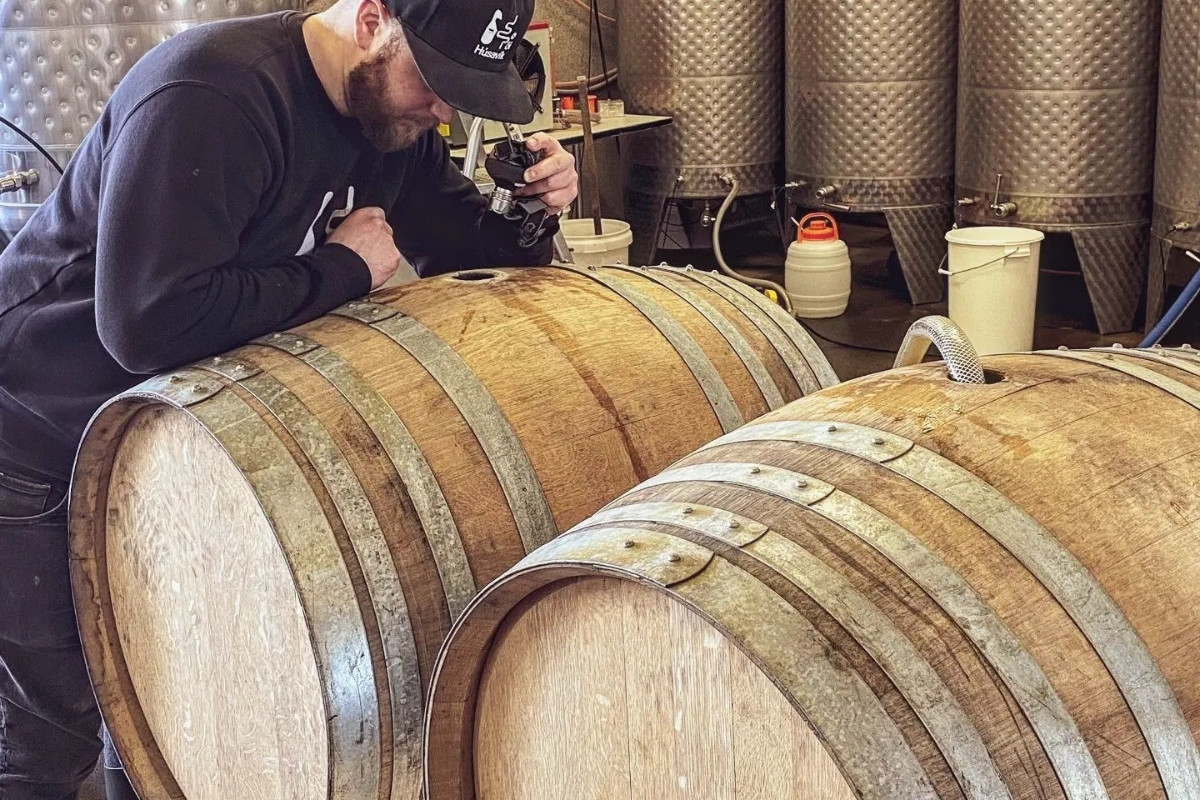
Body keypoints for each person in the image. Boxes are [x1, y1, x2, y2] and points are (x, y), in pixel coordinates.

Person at [0, 0, 578, 793]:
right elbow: (143, 323)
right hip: (39, 428)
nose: (443, 108)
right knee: (47, 728)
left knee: (153, 703)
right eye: (435, 79)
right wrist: (343, 270)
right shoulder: (211, 94)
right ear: (372, 18)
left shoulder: (390, 119)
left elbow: (460, 246)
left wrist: (530, 208)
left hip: (168, 448)